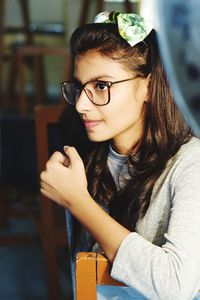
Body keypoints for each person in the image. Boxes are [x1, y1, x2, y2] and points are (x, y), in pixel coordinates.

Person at [40, 10, 200, 300]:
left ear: (149, 86)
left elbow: (175, 286)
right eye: (79, 87)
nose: (80, 106)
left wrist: (78, 202)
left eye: (101, 86)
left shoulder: (191, 163)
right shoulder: (87, 159)